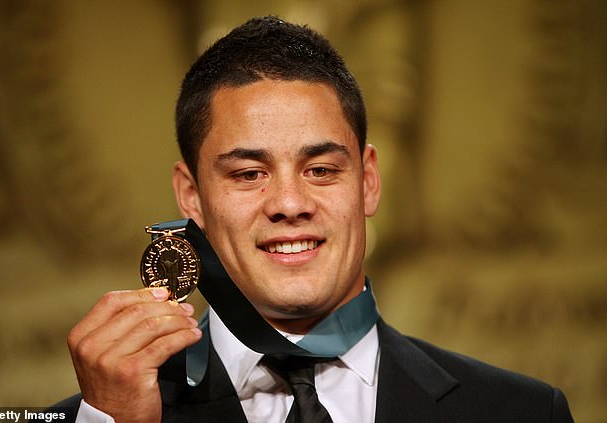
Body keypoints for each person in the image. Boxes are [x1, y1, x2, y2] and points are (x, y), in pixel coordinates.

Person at [55, 16, 575, 422]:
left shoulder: (521, 413)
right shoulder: (94, 420)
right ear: (191, 198)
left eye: (321, 169)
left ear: (369, 181)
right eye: (248, 174)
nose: (289, 202)